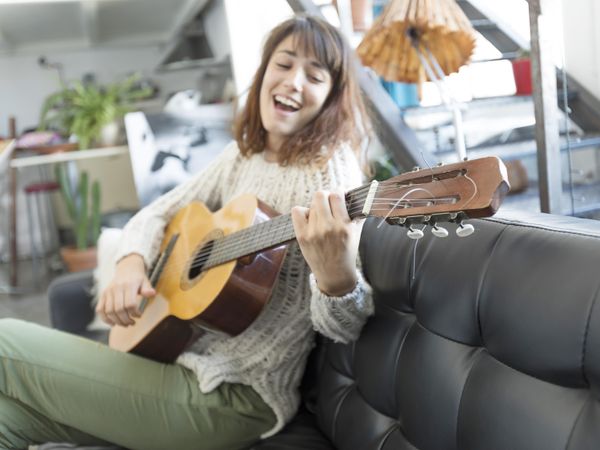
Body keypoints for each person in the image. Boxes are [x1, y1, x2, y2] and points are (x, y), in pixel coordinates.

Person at [0, 14, 374, 450]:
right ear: (265, 71)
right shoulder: (244, 154)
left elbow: (345, 327)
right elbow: (157, 212)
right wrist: (130, 262)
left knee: (6, 340)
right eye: (284, 64)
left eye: (315, 75)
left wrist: (336, 278)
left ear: (332, 96)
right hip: (177, 360)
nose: (293, 82)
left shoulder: (331, 177)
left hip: (235, 399)